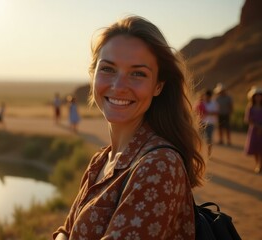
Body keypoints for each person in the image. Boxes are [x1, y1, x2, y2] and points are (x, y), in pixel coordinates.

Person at [53, 16, 206, 240]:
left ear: (158, 86)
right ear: (93, 75)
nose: (118, 86)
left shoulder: (159, 165)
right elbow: (65, 230)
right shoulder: (101, 161)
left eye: (137, 73)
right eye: (108, 69)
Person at [244, 86, 262, 174]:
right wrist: (257, 126)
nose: (258, 97)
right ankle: (257, 164)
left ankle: (260, 164)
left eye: (260, 95)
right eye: (256, 95)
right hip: (254, 130)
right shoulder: (250, 107)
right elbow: (248, 119)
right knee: (255, 148)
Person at [202, 89, 219, 156]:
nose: (206, 97)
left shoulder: (214, 103)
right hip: (202, 123)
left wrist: (207, 113)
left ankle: (209, 152)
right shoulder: (202, 103)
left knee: (209, 139)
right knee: (201, 138)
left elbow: (216, 113)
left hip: (210, 123)